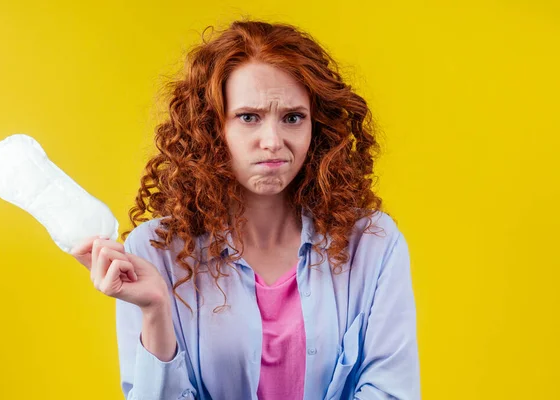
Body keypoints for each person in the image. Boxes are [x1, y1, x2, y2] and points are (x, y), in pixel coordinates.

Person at [71, 19, 420, 400]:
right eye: (248, 117)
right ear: (210, 127)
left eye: (292, 117)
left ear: (316, 128)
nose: (272, 141)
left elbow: (391, 391)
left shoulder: (373, 243)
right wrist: (155, 310)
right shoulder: (154, 252)